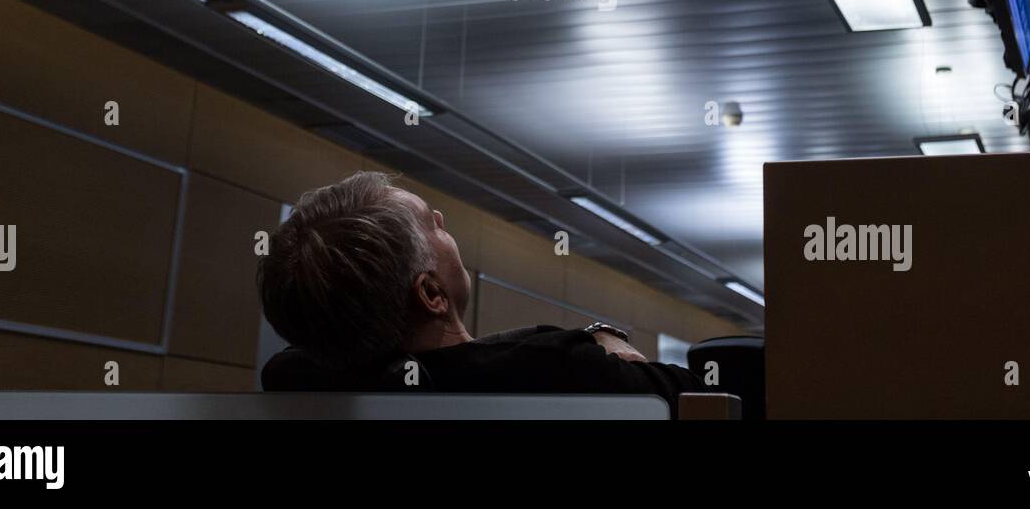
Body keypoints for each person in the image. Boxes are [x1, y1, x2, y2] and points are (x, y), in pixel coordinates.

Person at [258, 171, 706, 410]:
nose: (442, 219)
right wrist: (598, 339)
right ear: (433, 295)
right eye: (433, 226)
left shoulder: (295, 383)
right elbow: (718, 398)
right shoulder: (560, 369)